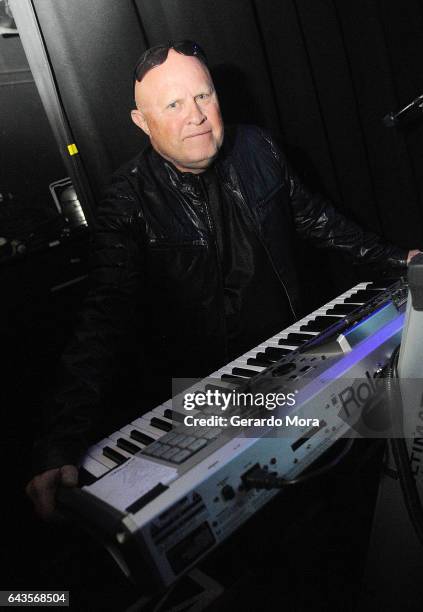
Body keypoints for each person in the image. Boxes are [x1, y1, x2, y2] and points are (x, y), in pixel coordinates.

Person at [26, 40, 420, 520]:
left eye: (203, 96)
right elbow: (101, 321)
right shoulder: (127, 201)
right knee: (278, 518)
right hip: (211, 396)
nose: (195, 115)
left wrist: (401, 258)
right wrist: (61, 442)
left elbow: (319, 221)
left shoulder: (257, 147)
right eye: (173, 104)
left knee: (396, 437)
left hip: (296, 358)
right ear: (141, 121)